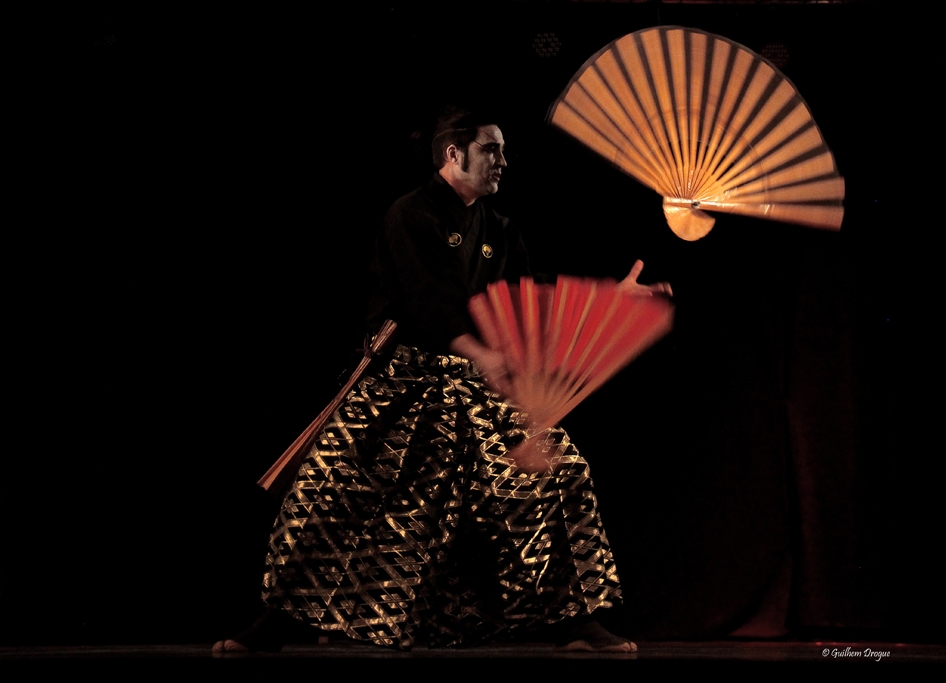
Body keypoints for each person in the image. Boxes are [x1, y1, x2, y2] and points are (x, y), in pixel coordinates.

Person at [214, 110, 669, 654]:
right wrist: (482, 352)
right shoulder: (410, 215)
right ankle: (279, 623)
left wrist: (606, 295)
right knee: (332, 486)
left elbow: (527, 293)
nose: (502, 161)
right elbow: (428, 299)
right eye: (490, 149)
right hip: (406, 379)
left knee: (558, 473)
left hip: (479, 384)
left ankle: (574, 621)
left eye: (503, 151)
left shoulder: (499, 229)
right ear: (453, 154)